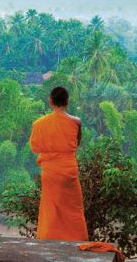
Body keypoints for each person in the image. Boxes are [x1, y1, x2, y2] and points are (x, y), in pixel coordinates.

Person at [29, 86, 88, 241]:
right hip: (68, 170)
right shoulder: (76, 122)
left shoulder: (39, 124)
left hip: (50, 172)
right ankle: (77, 240)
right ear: (67, 101)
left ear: (50, 101)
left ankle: (48, 239)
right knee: (73, 209)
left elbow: (35, 147)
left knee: (50, 210)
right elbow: (76, 143)